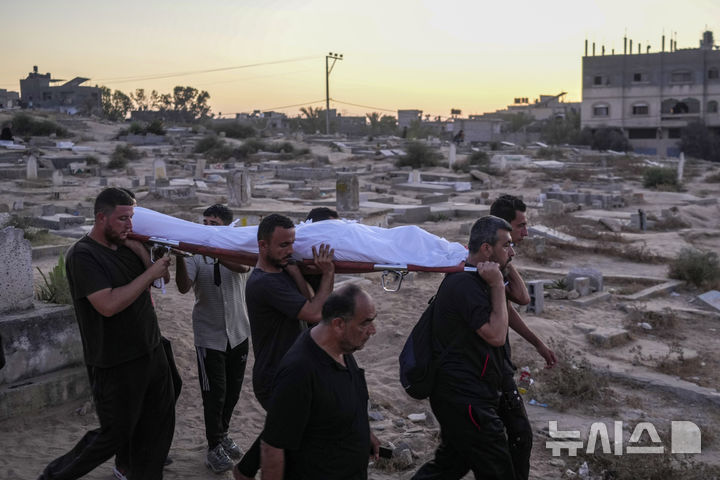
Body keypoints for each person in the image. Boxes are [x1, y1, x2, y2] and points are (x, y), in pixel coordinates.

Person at [38, 187, 175, 480]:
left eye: (132, 218)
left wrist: (142, 253)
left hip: (151, 351)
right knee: (113, 434)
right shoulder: (83, 255)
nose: (130, 225)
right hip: (115, 362)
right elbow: (108, 305)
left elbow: (161, 277)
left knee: (157, 427)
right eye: (123, 218)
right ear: (102, 218)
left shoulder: (128, 246)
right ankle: (53, 476)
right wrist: (149, 273)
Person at [412, 215, 516, 479]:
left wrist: (499, 277)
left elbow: (523, 297)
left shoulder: (474, 278)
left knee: (449, 466)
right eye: (506, 245)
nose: (512, 251)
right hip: (465, 397)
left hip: (467, 394)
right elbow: (496, 335)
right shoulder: (464, 285)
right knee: (498, 468)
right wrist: (496, 286)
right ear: (486, 248)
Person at [234, 213, 335, 480]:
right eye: (282, 245)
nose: (290, 250)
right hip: (274, 377)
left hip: (288, 372)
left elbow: (307, 299)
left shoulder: (281, 272)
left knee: (285, 427)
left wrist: (296, 274)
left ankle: (243, 471)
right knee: (297, 432)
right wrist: (328, 273)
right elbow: (315, 313)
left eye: (292, 244)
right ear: (262, 246)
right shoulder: (265, 283)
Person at [261, 284, 380, 479]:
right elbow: (273, 446)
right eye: (365, 323)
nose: (373, 330)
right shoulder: (299, 371)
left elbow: (345, 399)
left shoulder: (343, 348)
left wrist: (364, 433)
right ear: (338, 324)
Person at [175, 204, 252, 473]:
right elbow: (184, 287)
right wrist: (180, 258)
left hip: (239, 332)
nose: (206, 227)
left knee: (232, 393)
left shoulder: (239, 248)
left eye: (213, 223)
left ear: (226, 226)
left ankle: (223, 435)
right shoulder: (196, 255)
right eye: (204, 222)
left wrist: (213, 252)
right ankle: (213, 447)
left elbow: (243, 267)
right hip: (209, 336)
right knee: (214, 395)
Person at [490, 194, 557, 480]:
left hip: (495, 362)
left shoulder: (497, 258)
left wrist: (538, 344)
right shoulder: (488, 261)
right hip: (484, 365)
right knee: (519, 435)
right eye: (521, 226)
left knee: (513, 437)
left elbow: (508, 310)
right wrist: (506, 253)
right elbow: (521, 297)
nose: (526, 232)